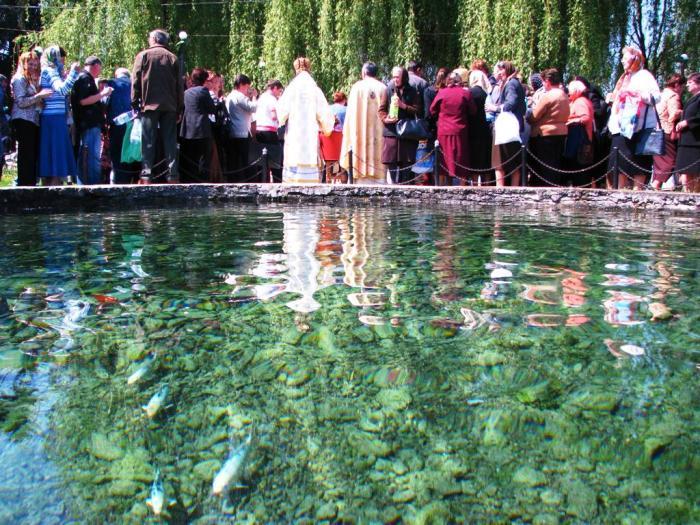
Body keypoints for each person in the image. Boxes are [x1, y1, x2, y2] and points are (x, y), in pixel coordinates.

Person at [131, 29, 183, 184]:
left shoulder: (143, 56)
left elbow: (135, 81)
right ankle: (173, 175)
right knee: (170, 141)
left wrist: (134, 102)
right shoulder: (173, 58)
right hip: (170, 106)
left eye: (149, 37)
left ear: (154, 39)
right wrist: (179, 108)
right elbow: (179, 86)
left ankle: (146, 175)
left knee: (148, 141)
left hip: (149, 105)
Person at [605, 46, 660, 190]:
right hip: (620, 128)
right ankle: (620, 191)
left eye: (625, 58)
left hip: (638, 128)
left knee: (638, 162)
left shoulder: (644, 76)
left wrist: (639, 95)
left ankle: (638, 191)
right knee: (620, 162)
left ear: (634, 59)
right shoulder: (624, 78)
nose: (622, 61)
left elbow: (656, 97)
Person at [277, 57, 334, 183]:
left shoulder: (291, 89)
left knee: (292, 179)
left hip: (294, 138)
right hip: (310, 139)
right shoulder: (315, 89)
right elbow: (326, 116)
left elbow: (281, 112)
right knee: (310, 179)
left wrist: (283, 121)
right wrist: (325, 128)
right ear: (309, 70)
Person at [38, 45, 81, 186]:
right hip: (53, 119)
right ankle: (54, 190)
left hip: (54, 118)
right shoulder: (50, 71)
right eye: (61, 58)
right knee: (55, 159)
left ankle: (51, 189)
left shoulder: (50, 71)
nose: (63, 62)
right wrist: (73, 73)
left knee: (52, 158)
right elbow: (62, 90)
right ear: (54, 57)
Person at [339, 61, 387, 185]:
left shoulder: (356, 88)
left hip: (358, 136)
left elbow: (349, 117)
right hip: (379, 136)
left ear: (364, 72)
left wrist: (347, 132)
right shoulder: (383, 88)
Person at [10, 51, 52, 186]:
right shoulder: (19, 79)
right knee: (26, 154)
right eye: (30, 64)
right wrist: (39, 96)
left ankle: (31, 184)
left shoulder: (31, 79)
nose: (33, 67)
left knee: (32, 154)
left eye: (35, 64)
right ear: (23, 64)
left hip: (33, 121)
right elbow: (21, 102)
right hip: (22, 120)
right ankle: (24, 185)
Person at [430, 71, 477, 185]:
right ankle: (462, 186)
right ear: (459, 81)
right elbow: (473, 111)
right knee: (461, 158)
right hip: (459, 130)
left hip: (444, 130)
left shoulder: (442, 93)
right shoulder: (465, 93)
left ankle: (443, 186)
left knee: (444, 159)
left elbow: (432, 110)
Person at [71, 56, 113, 185]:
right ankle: (93, 184)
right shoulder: (85, 78)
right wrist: (103, 94)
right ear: (95, 65)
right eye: (100, 68)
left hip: (87, 123)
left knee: (87, 154)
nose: (100, 71)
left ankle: (85, 183)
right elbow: (83, 101)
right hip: (89, 123)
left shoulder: (84, 78)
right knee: (91, 156)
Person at [379, 66, 422, 184]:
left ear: (404, 77)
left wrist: (403, 106)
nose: (395, 79)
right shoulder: (388, 89)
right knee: (391, 162)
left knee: (407, 164)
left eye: (397, 77)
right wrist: (385, 119)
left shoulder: (413, 91)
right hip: (391, 132)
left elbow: (418, 110)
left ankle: (406, 186)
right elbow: (381, 110)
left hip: (407, 132)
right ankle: (394, 186)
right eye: (393, 77)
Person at [485, 60, 526, 186]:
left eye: (501, 70)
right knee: (513, 163)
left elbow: (511, 102)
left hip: (506, 128)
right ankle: (513, 189)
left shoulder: (511, 83)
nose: (498, 73)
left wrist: (495, 108)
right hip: (513, 127)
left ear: (507, 69)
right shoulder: (514, 82)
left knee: (499, 163)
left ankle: (500, 190)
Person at [527, 68, 570, 186]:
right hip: (561, 133)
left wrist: (527, 115)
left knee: (545, 167)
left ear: (547, 81)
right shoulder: (564, 95)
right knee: (556, 165)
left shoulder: (548, 96)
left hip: (545, 135)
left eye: (543, 82)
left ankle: (546, 190)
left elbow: (535, 116)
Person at [180, 67, 216, 183]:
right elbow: (211, 109)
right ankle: (202, 182)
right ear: (204, 79)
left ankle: (190, 181)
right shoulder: (203, 91)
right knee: (204, 159)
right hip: (201, 129)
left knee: (191, 159)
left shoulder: (186, 93)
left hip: (187, 130)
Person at [651, 73, 685, 190]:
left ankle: (656, 186)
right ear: (677, 85)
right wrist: (685, 111)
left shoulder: (661, 95)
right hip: (668, 132)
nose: (683, 90)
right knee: (671, 161)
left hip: (657, 132)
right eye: (682, 87)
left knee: (660, 162)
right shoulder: (673, 96)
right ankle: (656, 185)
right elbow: (673, 115)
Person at [106, 67, 138, 184]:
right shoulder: (135, 83)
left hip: (116, 125)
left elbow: (105, 102)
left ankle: (119, 181)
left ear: (116, 75)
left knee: (117, 154)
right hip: (134, 125)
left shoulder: (111, 83)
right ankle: (133, 179)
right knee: (132, 152)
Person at [225, 73, 257, 182]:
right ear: (242, 85)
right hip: (242, 133)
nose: (248, 90)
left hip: (233, 132)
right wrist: (254, 97)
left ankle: (234, 181)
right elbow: (253, 107)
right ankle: (246, 181)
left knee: (234, 162)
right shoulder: (239, 96)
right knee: (245, 161)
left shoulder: (230, 96)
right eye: (247, 87)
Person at [564, 80, 595, 186]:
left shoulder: (580, 101)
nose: (569, 93)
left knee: (578, 169)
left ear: (576, 91)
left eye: (570, 91)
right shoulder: (581, 100)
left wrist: (571, 121)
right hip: (580, 140)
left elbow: (586, 117)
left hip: (579, 142)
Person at [675, 72, 700, 192]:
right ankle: (687, 193)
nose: (687, 85)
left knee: (694, 171)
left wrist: (688, 122)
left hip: (695, 141)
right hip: (687, 140)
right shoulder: (693, 98)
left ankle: (695, 194)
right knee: (685, 171)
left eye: (690, 82)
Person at [255, 79, 284, 183]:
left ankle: (262, 182)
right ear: (275, 88)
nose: (279, 93)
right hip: (269, 132)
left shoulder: (261, 98)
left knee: (262, 161)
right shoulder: (272, 99)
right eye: (279, 91)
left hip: (259, 131)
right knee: (276, 162)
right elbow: (274, 116)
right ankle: (277, 183)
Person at [468, 69, 493, 185]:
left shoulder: (470, 93)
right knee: (486, 159)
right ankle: (487, 184)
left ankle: (474, 184)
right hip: (485, 128)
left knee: (474, 159)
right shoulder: (486, 93)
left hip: (472, 129)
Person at [321, 92, 347, 182]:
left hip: (328, 148)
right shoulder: (346, 110)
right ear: (344, 100)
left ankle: (330, 177)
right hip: (341, 147)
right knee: (339, 160)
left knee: (332, 160)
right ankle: (340, 177)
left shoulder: (327, 109)